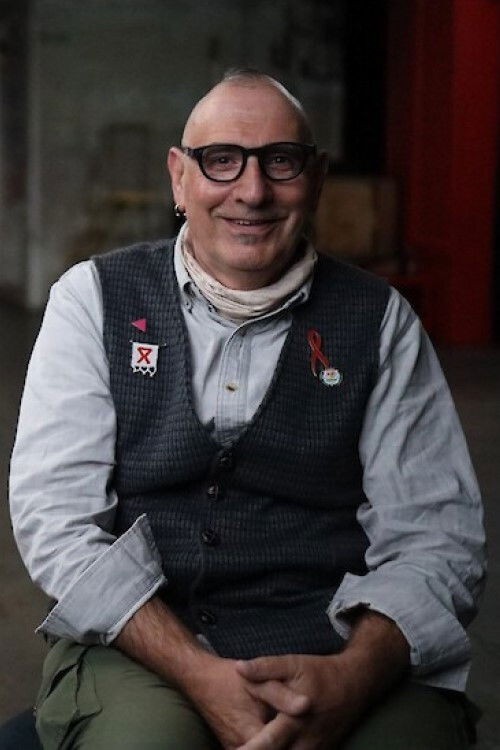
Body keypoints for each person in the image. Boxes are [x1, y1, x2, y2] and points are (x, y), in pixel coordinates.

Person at [9, 69, 485, 750]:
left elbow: (437, 535)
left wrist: (354, 676)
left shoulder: (379, 321)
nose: (253, 191)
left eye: (280, 161)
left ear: (315, 179)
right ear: (179, 179)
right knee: (148, 742)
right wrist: (198, 673)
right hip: (142, 642)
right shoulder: (92, 301)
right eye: (221, 160)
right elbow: (57, 522)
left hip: (334, 639)